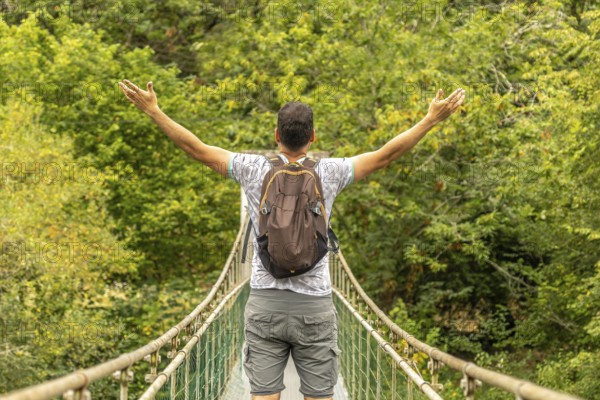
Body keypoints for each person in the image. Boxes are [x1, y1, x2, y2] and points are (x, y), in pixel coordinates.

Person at [118, 79, 465, 400]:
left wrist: (153, 110)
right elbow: (386, 155)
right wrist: (431, 119)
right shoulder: (330, 172)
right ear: (312, 137)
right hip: (315, 308)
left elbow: (196, 148)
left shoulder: (250, 169)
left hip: (264, 306)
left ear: (276, 135)